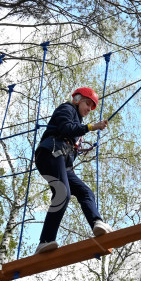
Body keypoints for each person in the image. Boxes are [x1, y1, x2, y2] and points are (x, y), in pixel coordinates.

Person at [34, 86, 112, 254]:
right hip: (50, 153)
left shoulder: (78, 122)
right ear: (77, 100)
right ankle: (45, 240)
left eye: (92, 107)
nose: (89, 109)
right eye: (87, 104)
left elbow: (70, 140)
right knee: (63, 193)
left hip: (62, 160)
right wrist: (91, 127)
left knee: (85, 192)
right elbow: (65, 128)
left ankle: (97, 223)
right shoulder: (67, 108)